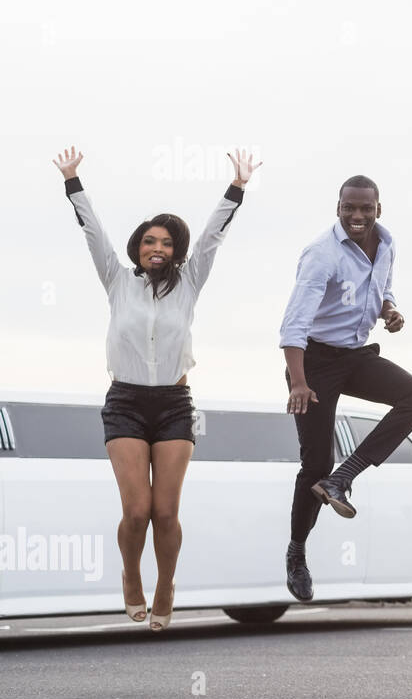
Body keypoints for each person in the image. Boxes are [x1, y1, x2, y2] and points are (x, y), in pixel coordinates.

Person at [54, 145, 259, 631]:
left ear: (176, 251)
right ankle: (131, 575)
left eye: (166, 243)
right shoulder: (117, 281)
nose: (157, 249)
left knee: (166, 512)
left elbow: (212, 238)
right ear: (138, 247)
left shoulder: (190, 283)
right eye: (149, 241)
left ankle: (166, 583)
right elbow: (93, 234)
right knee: (138, 510)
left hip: (173, 404)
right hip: (124, 402)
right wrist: (72, 182)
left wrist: (237, 187)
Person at [279, 174, 412, 602]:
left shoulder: (387, 244)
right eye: (350, 208)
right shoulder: (320, 254)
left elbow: (381, 288)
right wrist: (298, 381)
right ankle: (297, 553)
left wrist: (390, 309)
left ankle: (343, 477)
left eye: (366, 208)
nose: (358, 216)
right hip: (313, 362)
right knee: (314, 465)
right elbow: (294, 323)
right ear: (338, 208)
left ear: (378, 209)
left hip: (354, 356)